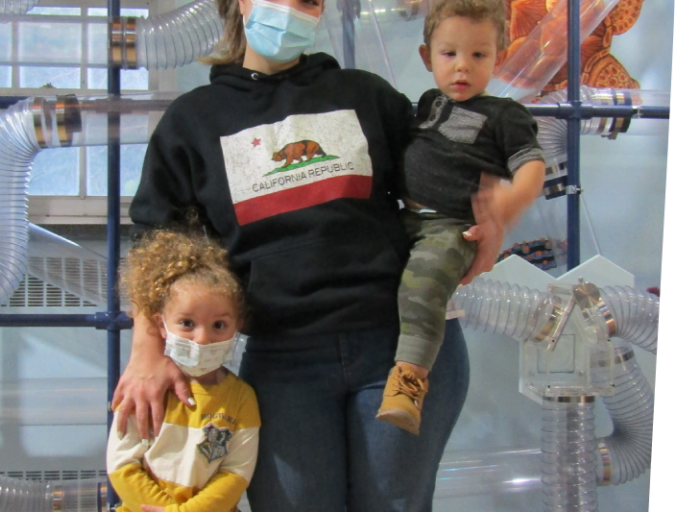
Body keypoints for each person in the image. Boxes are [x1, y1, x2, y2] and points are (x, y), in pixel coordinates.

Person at [113, 0, 505, 509]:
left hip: (401, 346)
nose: (295, 9)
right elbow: (155, 244)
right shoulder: (193, 122)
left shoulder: (365, 95)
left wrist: (490, 217)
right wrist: (146, 352)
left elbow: (444, 171)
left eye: (310, 1)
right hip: (283, 361)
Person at [376, 0, 546, 435]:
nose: (462, 68)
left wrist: (513, 200)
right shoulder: (429, 103)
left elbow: (531, 166)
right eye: (449, 54)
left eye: (479, 55)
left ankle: (409, 380)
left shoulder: (505, 115)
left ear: (500, 58)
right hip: (405, 217)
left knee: (425, 281)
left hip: (452, 226)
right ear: (426, 57)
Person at [106, 229, 260, 512]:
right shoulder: (145, 390)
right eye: (187, 323)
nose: (202, 338)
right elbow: (121, 464)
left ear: (237, 325)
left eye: (218, 325)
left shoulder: (242, 398)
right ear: (161, 324)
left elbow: (237, 473)